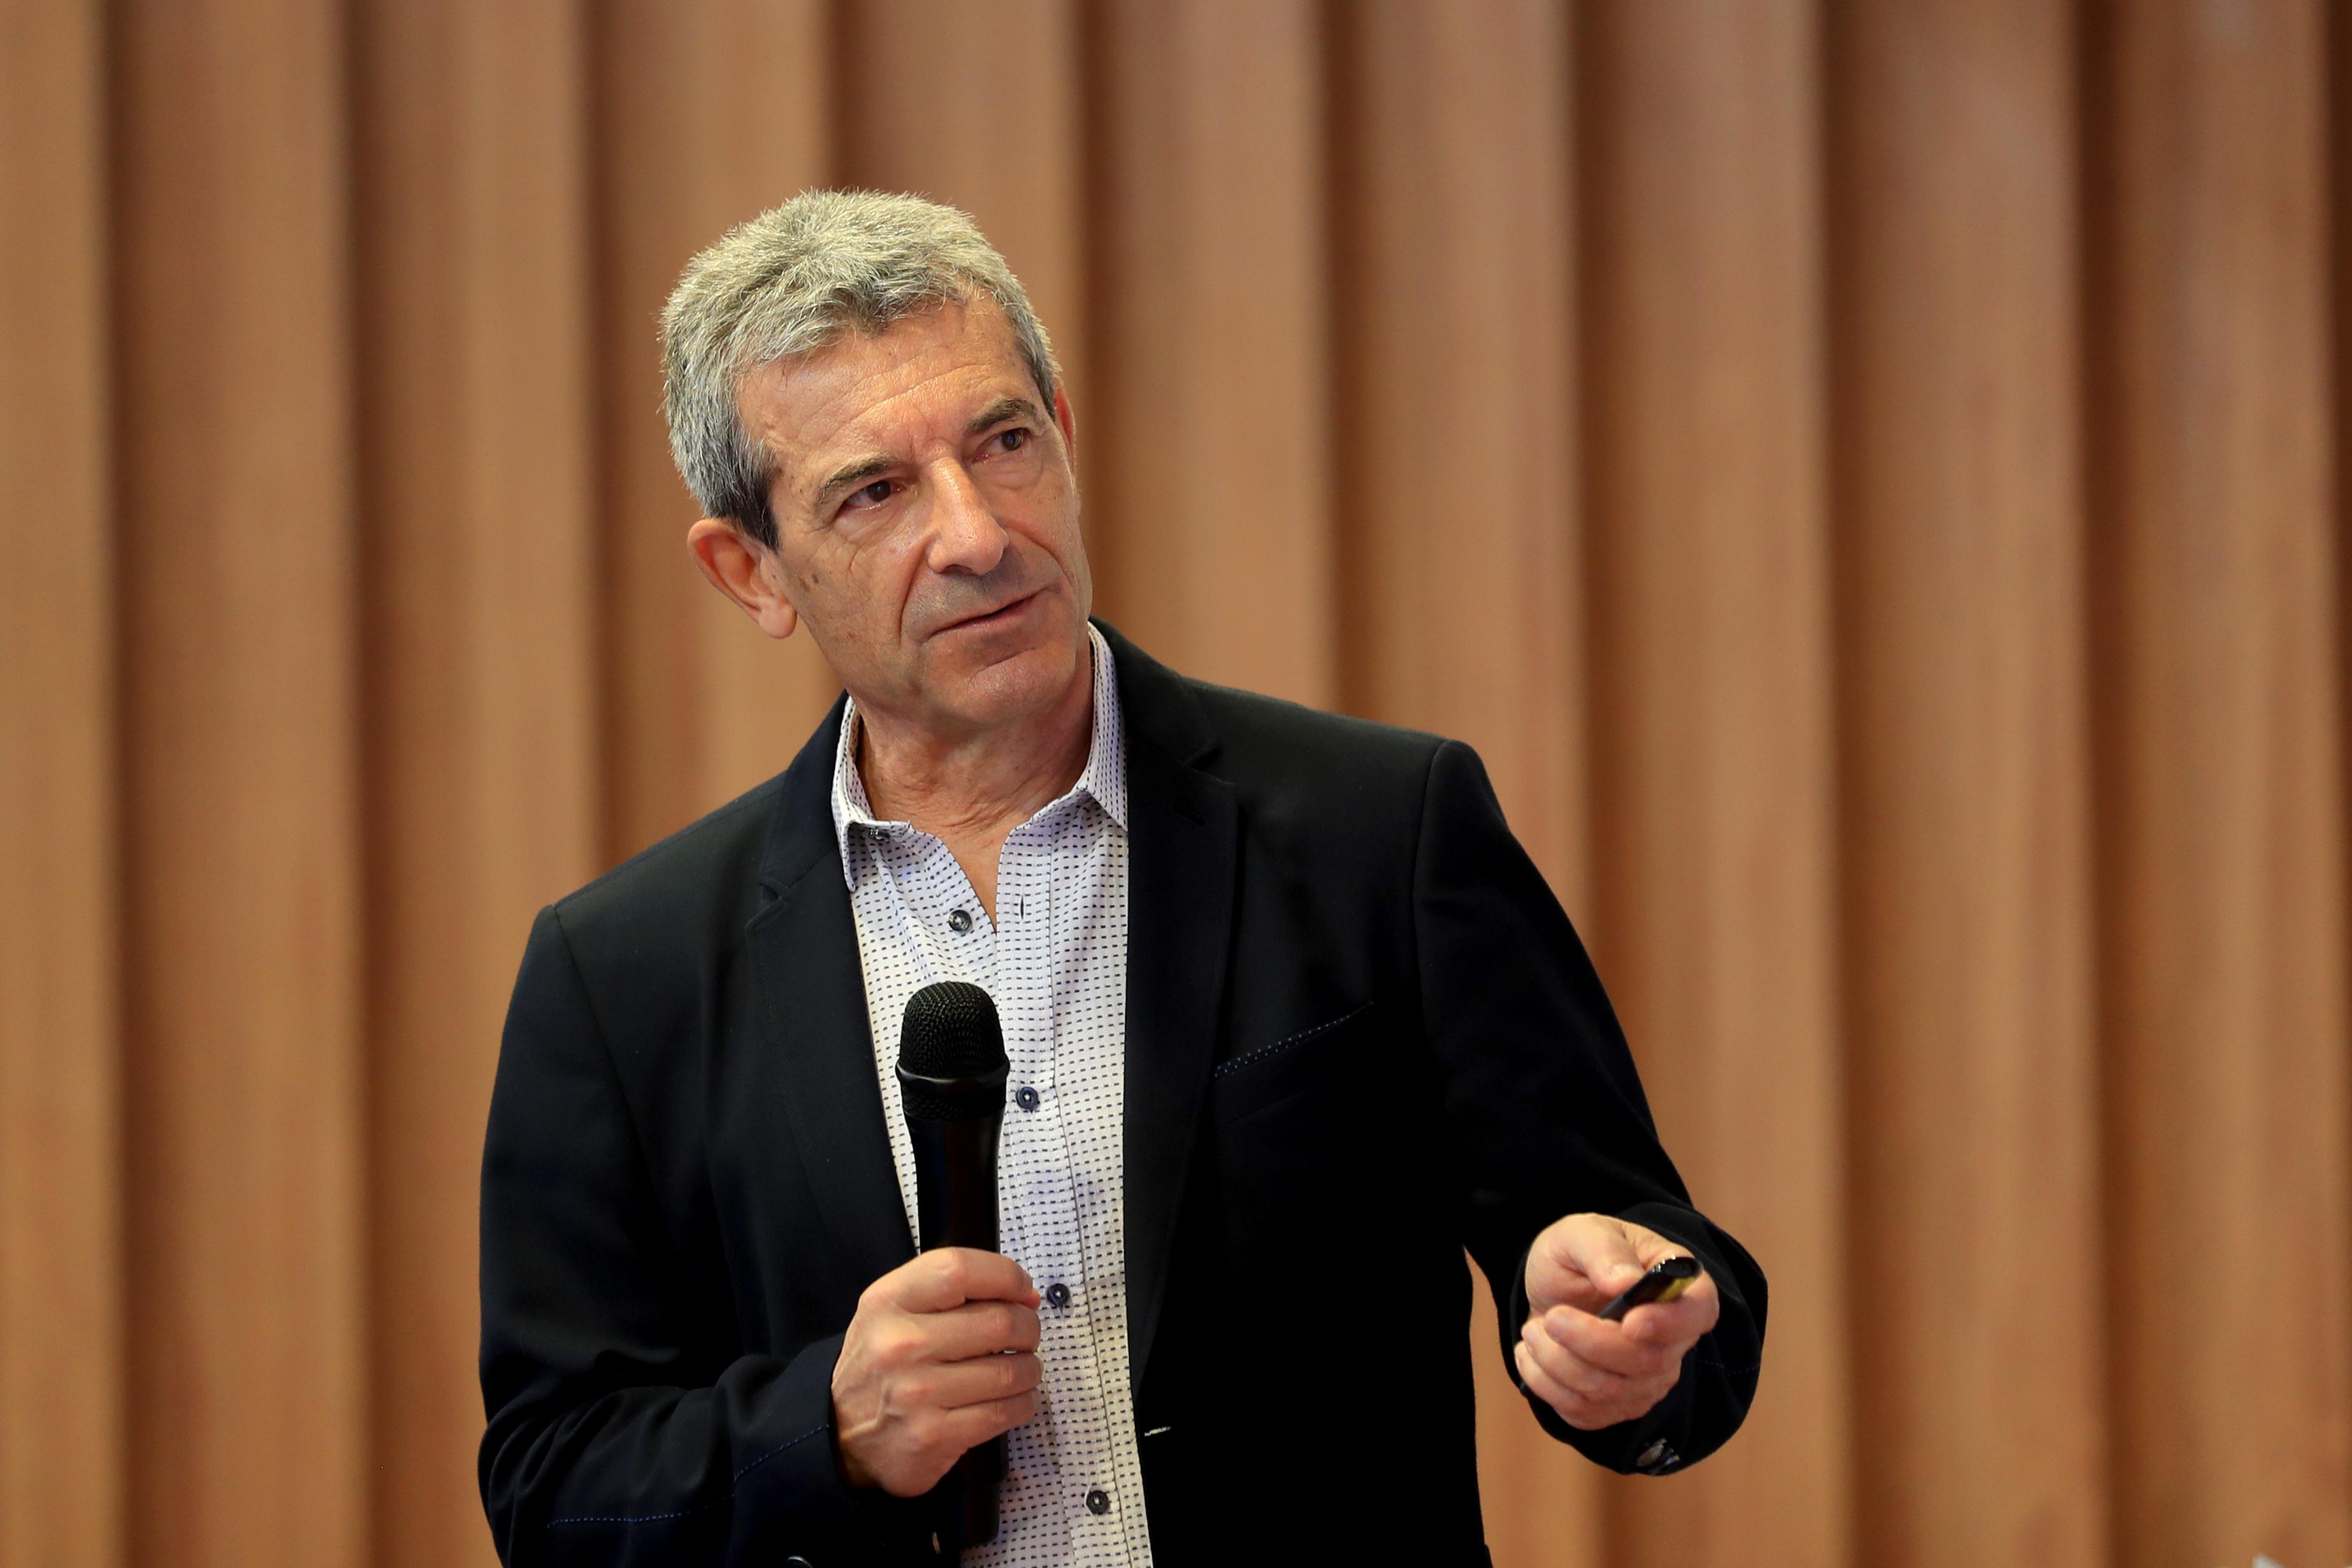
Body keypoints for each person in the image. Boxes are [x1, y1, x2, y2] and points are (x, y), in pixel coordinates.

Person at [478, 191, 1764, 1568]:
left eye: (1003, 443)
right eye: (875, 492)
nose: (977, 533)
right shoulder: (623, 974)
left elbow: (1645, 1252)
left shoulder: (1376, 832)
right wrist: (826, 1432)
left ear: (1066, 437)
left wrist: (1633, 1329)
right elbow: (554, 1482)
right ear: (752, 572)